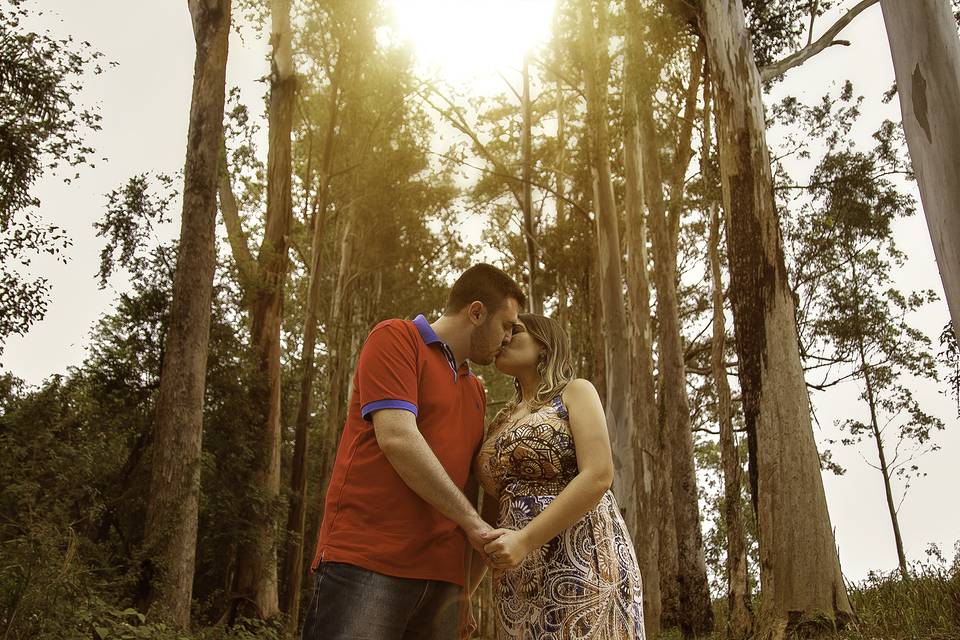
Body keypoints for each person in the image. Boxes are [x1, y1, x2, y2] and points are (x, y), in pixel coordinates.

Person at [301, 263, 525, 640]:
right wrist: (473, 523)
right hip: (369, 564)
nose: (508, 338)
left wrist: (465, 590)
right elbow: (398, 438)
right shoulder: (396, 338)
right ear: (476, 312)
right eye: (506, 325)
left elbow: (469, 483)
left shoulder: (476, 391)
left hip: (442, 583)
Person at [470, 313, 645, 639]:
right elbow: (490, 519)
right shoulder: (498, 423)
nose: (504, 337)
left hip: (583, 559)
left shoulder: (574, 392)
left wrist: (526, 539)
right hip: (517, 575)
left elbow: (598, 475)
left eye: (515, 330)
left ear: (545, 345)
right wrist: (465, 594)